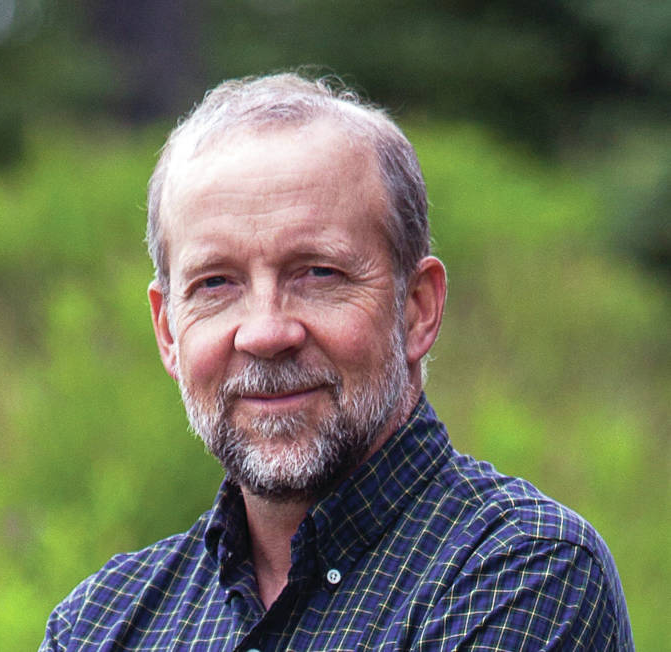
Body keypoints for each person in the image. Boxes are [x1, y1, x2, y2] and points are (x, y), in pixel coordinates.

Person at [39, 73, 633, 651]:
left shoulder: (527, 574)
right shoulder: (98, 623)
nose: (266, 332)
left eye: (318, 273)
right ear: (169, 331)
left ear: (416, 309)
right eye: (217, 284)